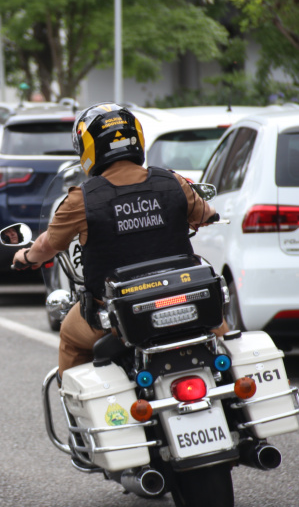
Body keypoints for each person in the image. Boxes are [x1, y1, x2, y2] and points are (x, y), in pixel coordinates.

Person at [12, 102, 221, 375]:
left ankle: (82, 414)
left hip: (119, 314)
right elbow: (207, 213)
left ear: (88, 148)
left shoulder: (81, 199)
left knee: (70, 336)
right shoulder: (172, 182)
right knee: (224, 333)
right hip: (185, 298)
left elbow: (47, 245)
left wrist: (25, 256)